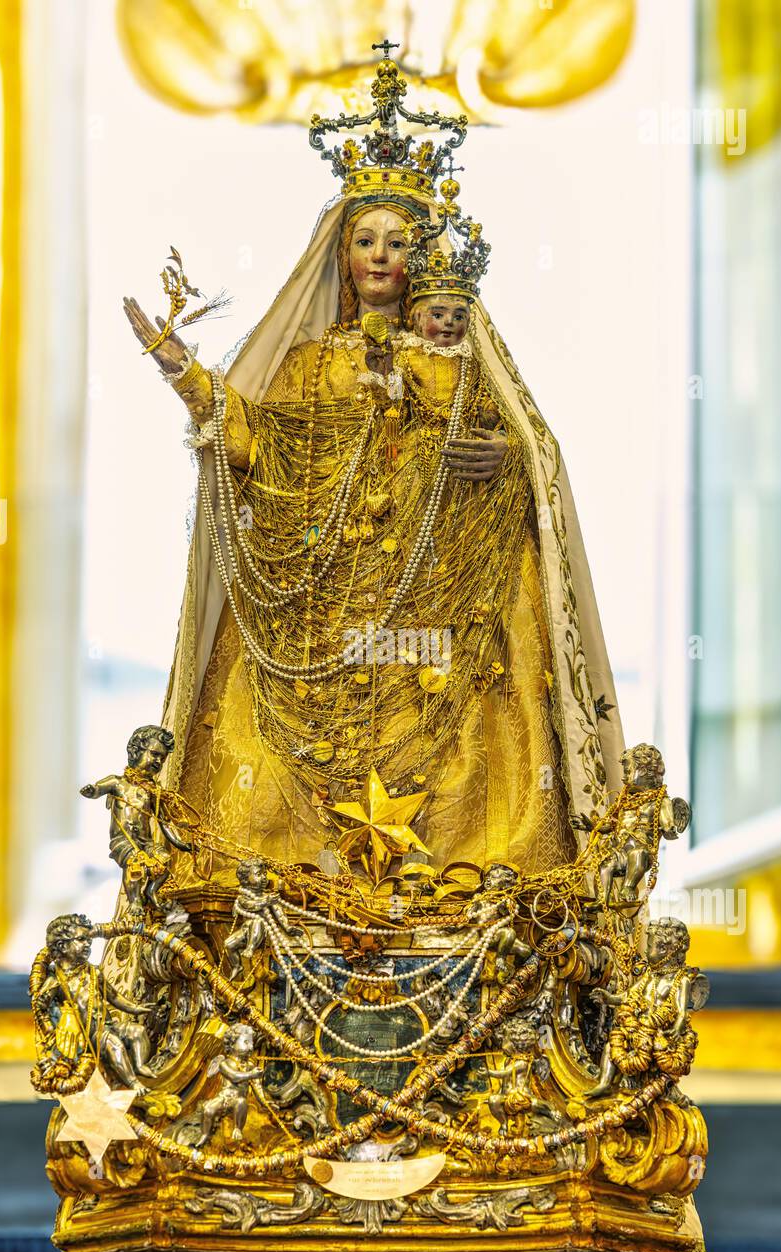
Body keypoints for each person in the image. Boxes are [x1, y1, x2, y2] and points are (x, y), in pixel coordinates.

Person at [121, 55, 624, 888]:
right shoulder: (309, 364)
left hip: (442, 608)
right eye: (364, 239)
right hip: (319, 604)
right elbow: (252, 445)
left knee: (465, 772)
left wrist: (503, 463)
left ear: (423, 257)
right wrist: (185, 371)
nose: (380, 256)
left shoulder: (461, 366)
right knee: (264, 767)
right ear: (341, 254)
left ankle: (476, 917)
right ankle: (266, 920)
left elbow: (532, 455)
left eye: (396, 241)